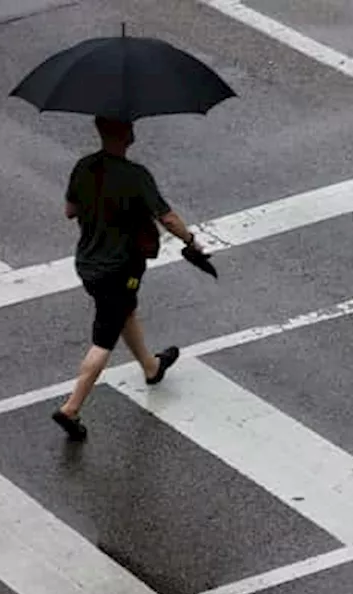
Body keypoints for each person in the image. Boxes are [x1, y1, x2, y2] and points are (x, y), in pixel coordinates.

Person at [51, 116, 202, 440]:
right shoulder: (136, 176)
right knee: (104, 336)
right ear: (128, 134)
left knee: (124, 311)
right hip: (120, 268)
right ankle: (71, 407)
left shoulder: (84, 167)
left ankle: (151, 367)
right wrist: (190, 240)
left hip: (88, 263)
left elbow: (70, 211)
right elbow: (168, 218)